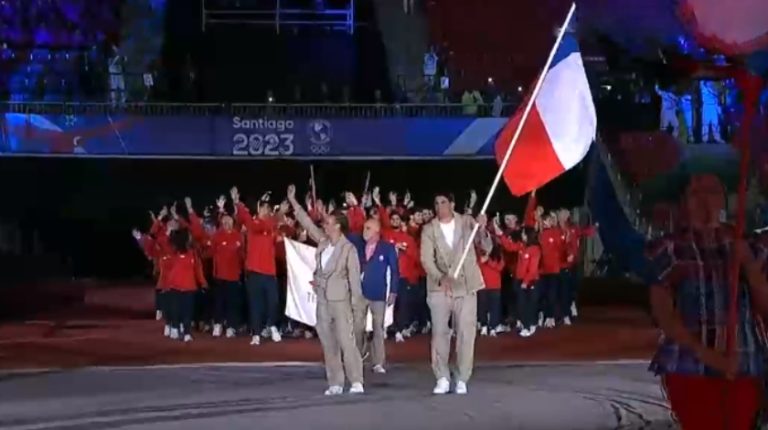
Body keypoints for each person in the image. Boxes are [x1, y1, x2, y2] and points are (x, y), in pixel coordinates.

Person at [647, 174, 768, 429]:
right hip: (689, 367)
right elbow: (665, 316)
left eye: (713, 191)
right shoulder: (667, 250)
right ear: (684, 203)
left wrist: (749, 265)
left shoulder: (750, 246)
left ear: (724, 201)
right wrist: (711, 357)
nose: (704, 198)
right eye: (695, 192)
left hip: (744, 364)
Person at [288, 184, 366, 395]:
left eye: (330, 223)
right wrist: (294, 202)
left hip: (341, 303)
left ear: (339, 226)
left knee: (346, 343)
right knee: (328, 344)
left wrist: (356, 308)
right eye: (326, 223)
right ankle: (336, 383)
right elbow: (306, 222)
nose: (326, 226)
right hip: (322, 302)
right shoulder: (323, 243)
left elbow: (354, 282)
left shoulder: (348, 249)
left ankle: (356, 380)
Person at [420, 191, 491, 395]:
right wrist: (441, 278)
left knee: (466, 334)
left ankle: (462, 377)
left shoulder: (468, 222)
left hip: (466, 286)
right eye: (436, 203)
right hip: (440, 288)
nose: (439, 206)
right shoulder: (428, 229)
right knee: (440, 334)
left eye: (443, 202)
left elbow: (486, 247)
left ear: (452, 204)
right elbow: (426, 259)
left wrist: (483, 228)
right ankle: (442, 377)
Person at [231, 187, 283, 346]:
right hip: (254, 272)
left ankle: (272, 326)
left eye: (268, 208)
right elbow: (246, 217)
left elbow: (279, 246)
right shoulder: (253, 224)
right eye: (264, 207)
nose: (266, 210)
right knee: (255, 304)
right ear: (259, 209)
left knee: (273, 302)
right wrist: (236, 201)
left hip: (270, 273)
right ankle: (256, 333)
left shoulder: (272, 227)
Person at [348, 218, 399, 374]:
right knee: (357, 327)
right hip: (360, 293)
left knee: (378, 328)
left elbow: (395, 271)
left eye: (369, 228)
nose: (365, 231)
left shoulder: (387, 248)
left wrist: (393, 292)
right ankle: (357, 357)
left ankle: (378, 362)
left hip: (378, 294)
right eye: (364, 228)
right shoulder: (357, 245)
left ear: (377, 231)